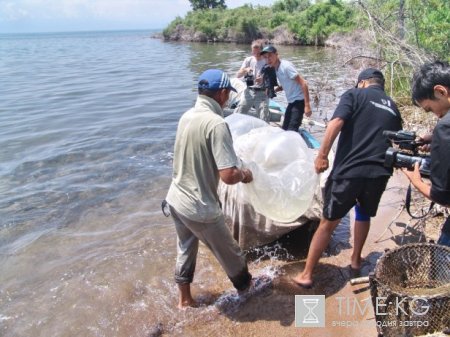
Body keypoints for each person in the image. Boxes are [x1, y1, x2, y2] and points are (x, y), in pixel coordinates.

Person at [292, 68, 403, 288]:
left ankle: (306, 274)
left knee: (328, 223)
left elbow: (335, 124)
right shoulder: (393, 107)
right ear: (381, 85)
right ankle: (355, 260)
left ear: (362, 83)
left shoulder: (354, 95)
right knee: (362, 212)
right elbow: (396, 142)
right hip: (379, 173)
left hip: (350, 172)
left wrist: (322, 155)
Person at [165, 69, 254, 308]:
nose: (228, 100)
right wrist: (245, 174)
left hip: (175, 200)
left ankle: (185, 301)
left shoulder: (187, 116)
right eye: (227, 95)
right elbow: (228, 175)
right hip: (199, 207)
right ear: (222, 94)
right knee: (232, 254)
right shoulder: (216, 124)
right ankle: (248, 293)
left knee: (185, 249)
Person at [402, 61, 450, 247]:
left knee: (441, 267)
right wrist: (437, 140)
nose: (435, 115)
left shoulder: (445, 126)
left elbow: (443, 197)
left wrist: (417, 182)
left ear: (441, 91)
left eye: (429, 109)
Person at [260, 45, 312, 131]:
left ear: (277, 55)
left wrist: (307, 106)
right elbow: (288, 82)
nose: (268, 59)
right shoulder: (275, 68)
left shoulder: (286, 67)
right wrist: (275, 89)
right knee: (284, 128)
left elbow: (304, 83)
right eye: (265, 57)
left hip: (299, 102)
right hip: (291, 102)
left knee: (292, 130)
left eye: (270, 56)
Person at [235, 39, 270, 122]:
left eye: (258, 53)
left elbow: (273, 78)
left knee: (263, 116)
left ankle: (266, 131)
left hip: (262, 92)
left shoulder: (267, 61)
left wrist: (263, 79)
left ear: (262, 51)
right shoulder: (248, 60)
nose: (256, 55)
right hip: (249, 91)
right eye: (254, 53)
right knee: (239, 112)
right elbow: (238, 75)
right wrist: (245, 70)